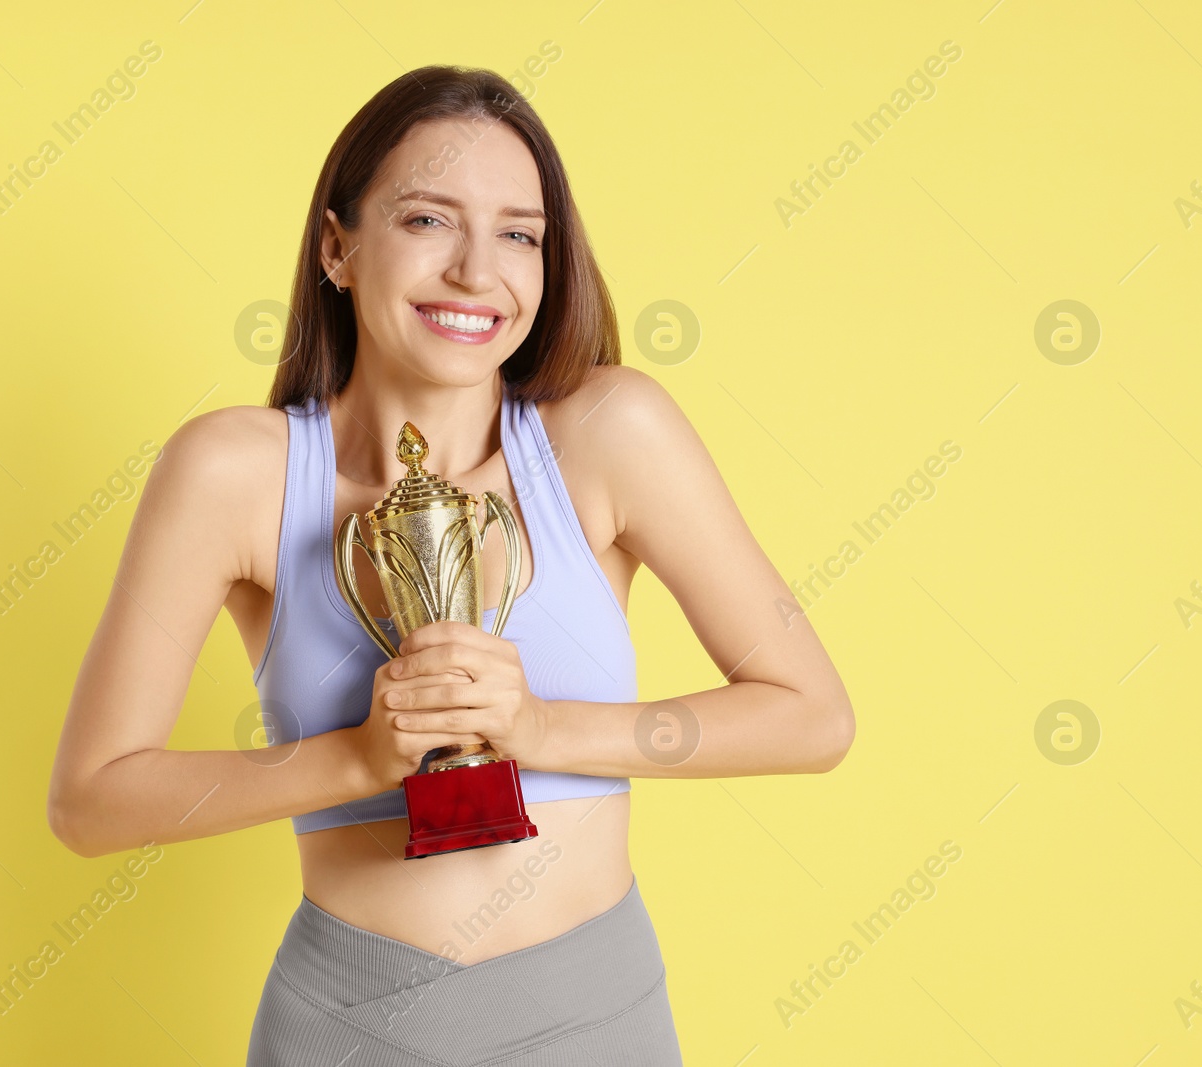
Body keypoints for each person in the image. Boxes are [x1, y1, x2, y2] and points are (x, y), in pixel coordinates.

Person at [48, 65, 855, 1065]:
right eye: (429, 220)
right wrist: (355, 758)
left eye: (519, 233)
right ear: (337, 246)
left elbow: (811, 714)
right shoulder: (231, 473)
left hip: (597, 1022)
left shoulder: (612, 435)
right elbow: (91, 801)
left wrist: (541, 727)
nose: (479, 271)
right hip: (345, 1031)